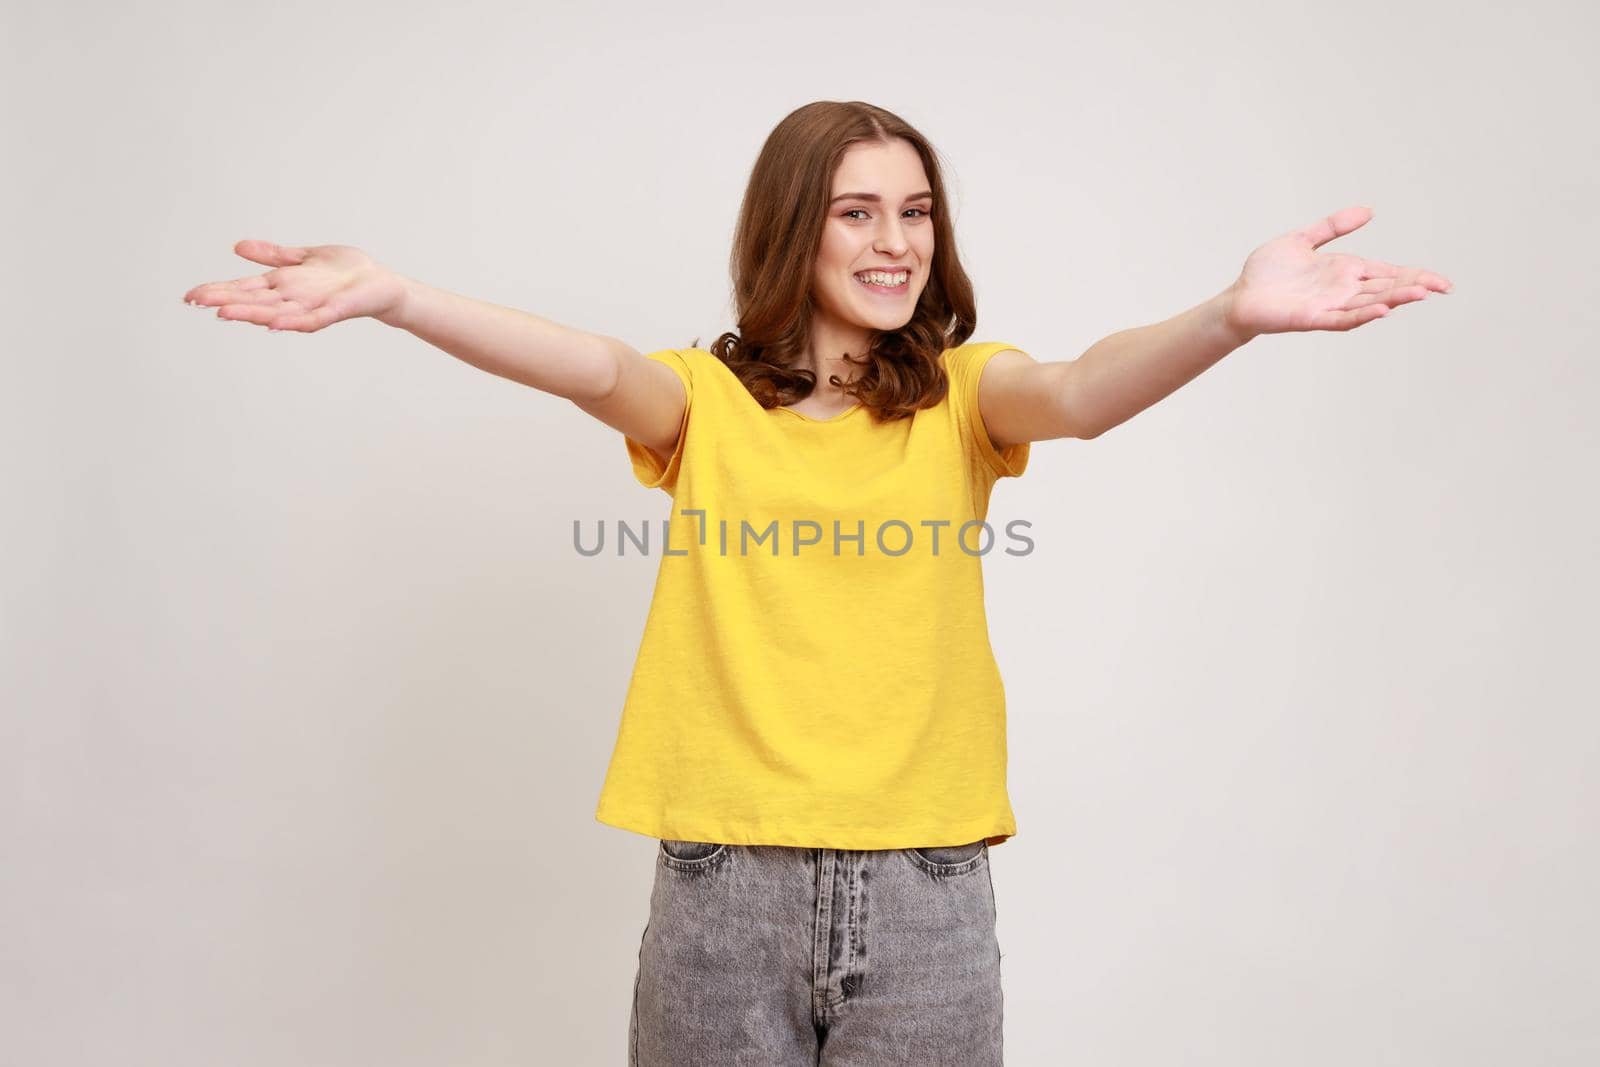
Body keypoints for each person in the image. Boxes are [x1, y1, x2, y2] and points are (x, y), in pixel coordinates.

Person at [181, 100, 1452, 1065]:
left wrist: (1228, 315)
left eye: (915, 210)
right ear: (794, 226)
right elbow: (584, 360)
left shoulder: (967, 395)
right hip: (724, 883)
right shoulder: (702, 404)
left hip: (927, 890)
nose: (895, 241)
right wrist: (399, 295)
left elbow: (1081, 390)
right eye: (857, 210)